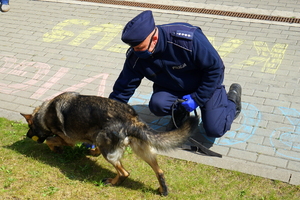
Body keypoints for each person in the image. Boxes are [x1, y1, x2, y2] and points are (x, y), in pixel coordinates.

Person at [109, 10, 242, 138]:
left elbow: (216, 69)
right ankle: (181, 114)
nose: (136, 52)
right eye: (133, 48)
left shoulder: (187, 41)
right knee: (158, 105)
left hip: (205, 85)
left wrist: (197, 98)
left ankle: (232, 100)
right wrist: (105, 122)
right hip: (172, 88)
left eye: (140, 48)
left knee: (215, 129)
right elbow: (122, 89)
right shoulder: (136, 56)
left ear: (154, 38)